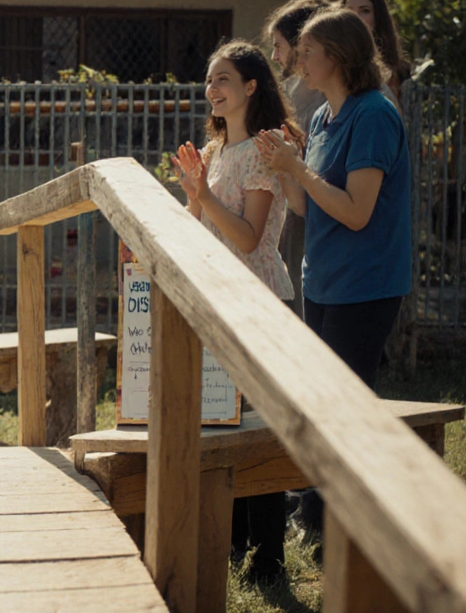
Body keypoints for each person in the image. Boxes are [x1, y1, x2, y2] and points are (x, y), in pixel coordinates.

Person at [256, 7, 411, 543]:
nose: (297, 59)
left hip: (365, 286)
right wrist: (286, 166)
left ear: (339, 56)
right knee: (321, 403)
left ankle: (344, 526)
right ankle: (320, 520)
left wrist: (298, 170)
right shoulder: (322, 117)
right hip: (321, 281)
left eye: (307, 51)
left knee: (345, 408)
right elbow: (305, 207)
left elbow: (356, 211)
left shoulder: (374, 115)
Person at [172, 41, 297, 585]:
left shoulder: (265, 150)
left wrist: (204, 193)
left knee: (259, 425)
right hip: (215, 299)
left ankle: (269, 554)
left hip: (259, 300)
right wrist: (190, 196)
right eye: (209, 79)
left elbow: (247, 239)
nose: (212, 89)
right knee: (221, 419)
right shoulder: (214, 150)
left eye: (223, 79)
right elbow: (195, 222)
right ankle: (232, 538)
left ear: (251, 87)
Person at [265, 0, 331, 317]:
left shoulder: (314, 94)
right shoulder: (296, 89)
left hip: (315, 215)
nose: (275, 56)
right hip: (300, 210)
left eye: (278, 46)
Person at [339, 0, 411, 105]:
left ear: (378, 17)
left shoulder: (397, 70)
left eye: (364, 11)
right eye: (349, 10)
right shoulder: (332, 61)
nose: (356, 17)